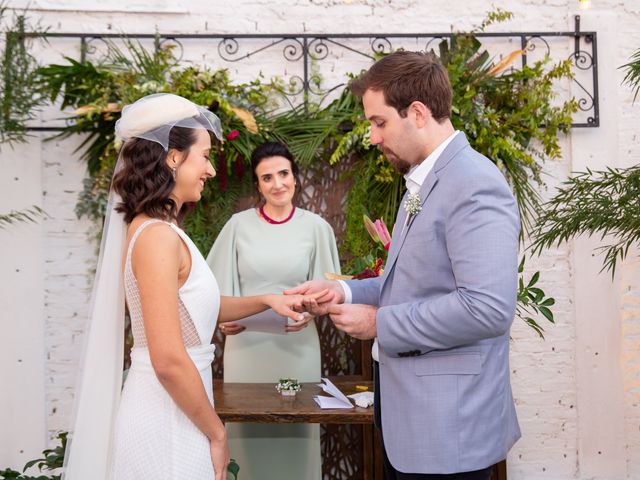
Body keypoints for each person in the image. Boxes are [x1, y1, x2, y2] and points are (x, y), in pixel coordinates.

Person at [62, 94, 322, 480]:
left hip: (181, 409)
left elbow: (192, 312)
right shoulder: (156, 237)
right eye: (204, 156)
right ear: (173, 158)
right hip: (167, 415)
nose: (211, 171)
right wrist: (216, 432)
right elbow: (168, 359)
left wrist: (266, 299)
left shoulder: (161, 229)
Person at [287, 51, 521, 479]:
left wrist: (379, 322)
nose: (373, 137)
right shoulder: (425, 180)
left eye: (379, 123)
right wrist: (342, 292)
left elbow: (486, 308)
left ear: (416, 113)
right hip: (417, 423)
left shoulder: (473, 183)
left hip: (451, 429)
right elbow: (412, 281)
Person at [206, 141, 341, 480]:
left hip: (297, 349)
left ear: (296, 178)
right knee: (245, 438)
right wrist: (224, 322)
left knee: (298, 437)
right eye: (267, 177)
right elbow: (213, 294)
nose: (277, 183)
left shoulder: (317, 228)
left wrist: (312, 312)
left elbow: (331, 293)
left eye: (283, 174)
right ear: (258, 185)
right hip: (246, 350)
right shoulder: (237, 226)